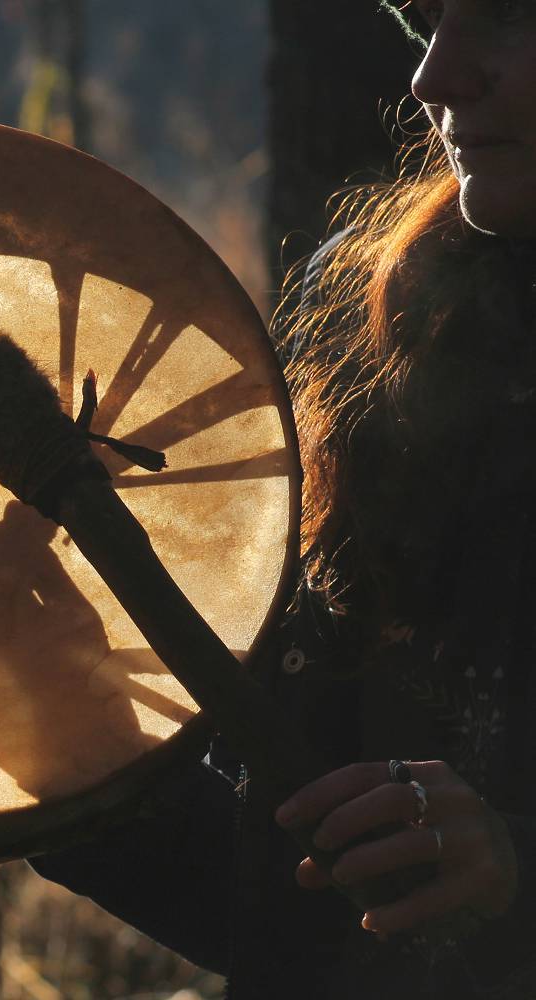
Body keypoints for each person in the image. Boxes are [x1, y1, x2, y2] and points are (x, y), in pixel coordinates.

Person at [29, 1, 536, 996]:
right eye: (428, 21)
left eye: (508, 17)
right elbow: (294, 915)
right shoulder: (393, 346)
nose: (435, 78)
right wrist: (68, 739)